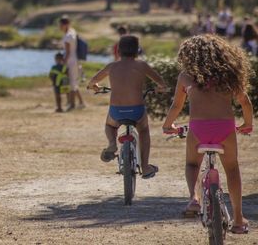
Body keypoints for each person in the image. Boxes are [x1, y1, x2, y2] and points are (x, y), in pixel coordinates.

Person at [162, 35, 253, 234]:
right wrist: (247, 123)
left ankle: (194, 198)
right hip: (225, 130)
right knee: (232, 170)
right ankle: (238, 219)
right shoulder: (228, 76)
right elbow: (245, 102)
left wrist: (168, 125)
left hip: (199, 130)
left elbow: (177, 105)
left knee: (192, 164)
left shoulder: (186, 76)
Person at [87, 35, 167, 179]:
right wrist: (160, 89)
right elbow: (161, 83)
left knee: (110, 126)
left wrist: (95, 87)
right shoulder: (142, 66)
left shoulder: (112, 66)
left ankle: (112, 143)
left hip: (116, 111)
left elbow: (92, 82)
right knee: (143, 131)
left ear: (118, 51)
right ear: (137, 51)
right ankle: (146, 166)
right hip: (137, 111)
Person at [59, 16, 85, 111]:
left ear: (65, 24)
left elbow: (68, 51)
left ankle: (72, 104)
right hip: (75, 59)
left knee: (72, 83)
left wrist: (63, 63)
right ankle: (80, 102)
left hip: (70, 60)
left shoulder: (68, 36)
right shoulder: (72, 32)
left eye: (61, 25)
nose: (60, 27)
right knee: (74, 82)